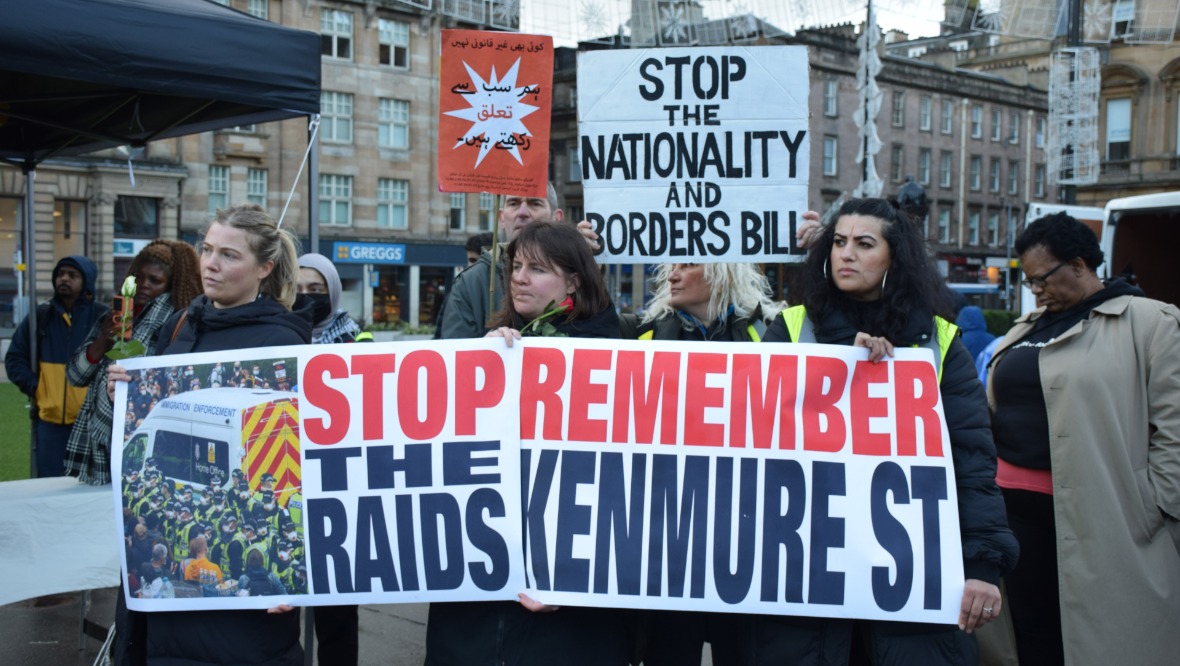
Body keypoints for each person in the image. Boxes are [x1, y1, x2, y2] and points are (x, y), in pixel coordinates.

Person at [760, 198, 1019, 664]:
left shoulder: (940, 340)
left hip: (910, 571)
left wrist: (982, 566)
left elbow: (973, 460)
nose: (845, 254)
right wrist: (840, 355)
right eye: (838, 242)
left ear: (894, 258)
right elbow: (754, 427)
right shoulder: (791, 328)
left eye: (863, 244)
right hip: (807, 567)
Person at [109, 203, 310, 666]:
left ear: (265, 268)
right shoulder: (178, 325)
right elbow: (125, 442)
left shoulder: (282, 342)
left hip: (245, 631)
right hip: (164, 627)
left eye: (228, 255)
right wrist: (118, 394)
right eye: (206, 249)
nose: (211, 264)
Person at [426, 220, 630, 666]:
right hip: (474, 615)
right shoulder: (493, 345)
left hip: (570, 627)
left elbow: (623, 492)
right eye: (516, 265)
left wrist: (575, 583)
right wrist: (475, 373)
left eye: (537, 268)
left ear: (574, 280)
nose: (519, 276)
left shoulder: (616, 361)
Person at [986, 212, 1180, 665]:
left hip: (1104, 516)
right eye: (1029, 282)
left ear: (1079, 264)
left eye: (1042, 279)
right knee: (1030, 633)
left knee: (1095, 637)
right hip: (1012, 516)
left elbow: (1174, 425)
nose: (1035, 290)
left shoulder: (1150, 321)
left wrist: (1157, 507)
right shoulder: (1027, 326)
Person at [624, 261, 784, 665]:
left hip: (744, 542)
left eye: (688, 265)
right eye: (670, 266)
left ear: (722, 271)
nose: (672, 275)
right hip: (670, 544)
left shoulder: (771, 333)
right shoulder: (644, 333)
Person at [64, 239, 201, 485]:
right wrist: (103, 340)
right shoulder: (114, 316)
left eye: (155, 280)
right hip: (97, 433)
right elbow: (75, 376)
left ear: (173, 284)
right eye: (139, 277)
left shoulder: (174, 323)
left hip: (137, 432)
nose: (144, 285)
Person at [295, 252, 363, 664]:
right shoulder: (274, 336)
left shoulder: (357, 341)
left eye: (316, 291)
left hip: (340, 496)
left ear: (333, 293)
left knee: (337, 621)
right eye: (298, 290)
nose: (306, 298)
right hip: (289, 491)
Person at [5, 255, 108, 477]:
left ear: (86, 280)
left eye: (72, 275)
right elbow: (14, 359)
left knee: (84, 491)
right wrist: (37, 388)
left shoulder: (102, 316)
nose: (64, 279)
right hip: (49, 424)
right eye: (60, 274)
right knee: (48, 487)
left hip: (88, 424)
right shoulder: (41, 316)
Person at [437, 184, 571, 339]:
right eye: (513, 203)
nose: (522, 213)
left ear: (557, 217)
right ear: (501, 218)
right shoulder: (470, 283)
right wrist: (484, 350)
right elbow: (452, 356)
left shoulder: (577, 273)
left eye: (535, 203)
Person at [297, 253, 363, 344]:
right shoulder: (278, 333)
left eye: (315, 289)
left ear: (333, 292)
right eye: (296, 289)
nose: (304, 294)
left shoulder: (353, 340)